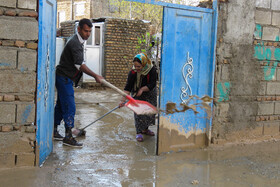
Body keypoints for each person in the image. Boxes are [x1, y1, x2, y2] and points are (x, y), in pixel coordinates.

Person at [54, 18, 104, 147]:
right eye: (86, 31)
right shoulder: (75, 43)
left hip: (65, 78)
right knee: (70, 106)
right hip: (64, 78)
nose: (88, 34)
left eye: (90, 31)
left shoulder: (79, 41)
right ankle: (68, 137)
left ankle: (54, 131)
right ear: (79, 29)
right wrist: (95, 76)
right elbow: (80, 65)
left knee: (61, 104)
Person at [120, 53, 157, 142]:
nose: (137, 69)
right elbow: (128, 87)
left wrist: (143, 89)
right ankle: (139, 132)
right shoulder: (133, 73)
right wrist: (122, 100)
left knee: (148, 111)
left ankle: (145, 129)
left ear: (144, 64)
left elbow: (152, 83)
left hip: (149, 92)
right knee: (139, 112)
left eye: (139, 67)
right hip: (137, 93)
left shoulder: (151, 70)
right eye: (135, 66)